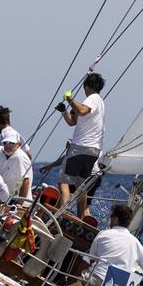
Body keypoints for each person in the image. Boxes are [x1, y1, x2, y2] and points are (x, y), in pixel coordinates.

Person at [67, 204, 143, 286]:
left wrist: (74, 277)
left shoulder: (104, 234)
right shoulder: (136, 243)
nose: (110, 219)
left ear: (116, 219)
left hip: (97, 283)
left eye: (111, 217)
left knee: (80, 279)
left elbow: (90, 260)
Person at [55, 73, 105, 219]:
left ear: (87, 86)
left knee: (64, 182)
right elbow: (73, 122)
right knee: (80, 185)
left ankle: (62, 217)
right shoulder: (99, 102)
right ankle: (81, 218)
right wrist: (64, 111)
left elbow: (82, 110)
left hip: (81, 147)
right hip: (93, 150)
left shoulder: (92, 98)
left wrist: (70, 98)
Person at [0, 129, 33, 198]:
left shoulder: (19, 157)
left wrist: (19, 204)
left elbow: (25, 182)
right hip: (4, 199)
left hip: (18, 201)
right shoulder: (0, 151)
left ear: (18, 145)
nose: (8, 146)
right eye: (5, 143)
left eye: (12, 143)